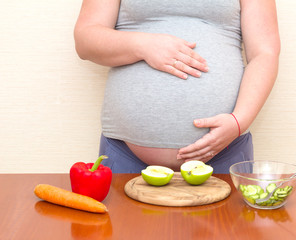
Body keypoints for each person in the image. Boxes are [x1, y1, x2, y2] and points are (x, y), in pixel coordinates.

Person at [74, 0, 280, 173]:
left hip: (225, 151)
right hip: (125, 154)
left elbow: (264, 52)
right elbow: (85, 39)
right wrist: (142, 45)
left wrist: (239, 121)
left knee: (230, 222)